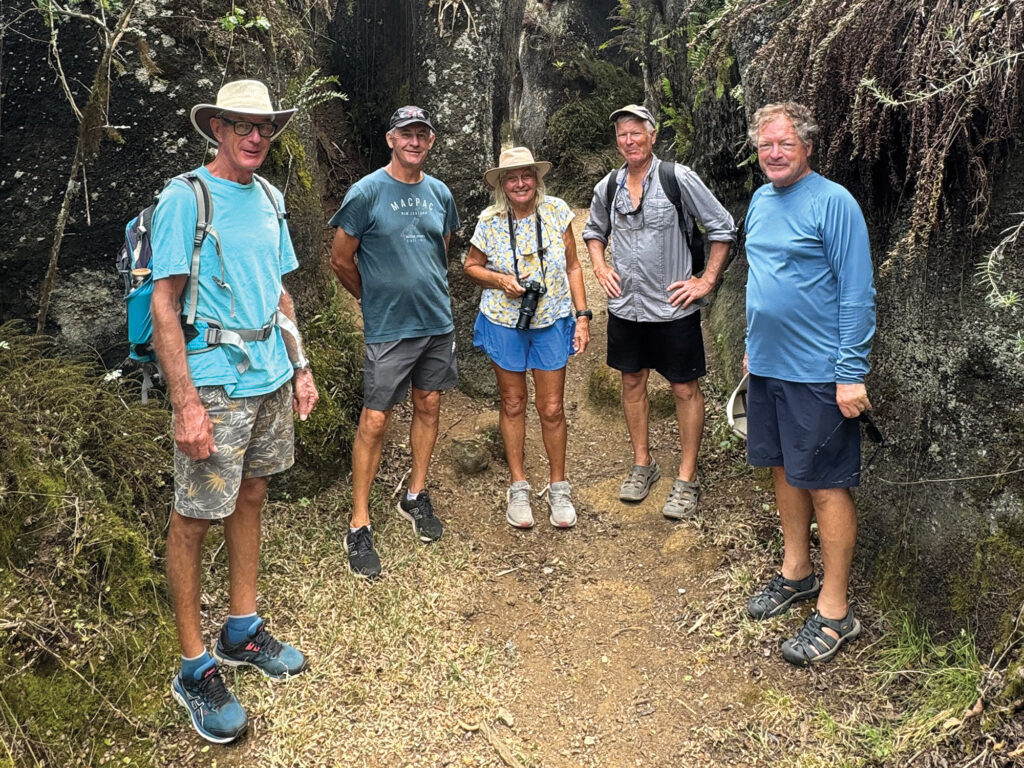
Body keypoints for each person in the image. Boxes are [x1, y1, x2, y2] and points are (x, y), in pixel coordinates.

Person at [150, 79, 319, 744]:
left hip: (271, 376)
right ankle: (194, 668)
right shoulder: (185, 197)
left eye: (265, 127)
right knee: (193, 517)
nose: (255, 136)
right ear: (216, 129)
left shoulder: (270, 198)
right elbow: (165, 303)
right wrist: (186, 403)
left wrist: (300, 367)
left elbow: (279, 293)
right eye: (242, 125)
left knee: (251, 494)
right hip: (215, 383)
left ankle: (241, 631)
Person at [742, 101, 876, 666]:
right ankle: (797, 570)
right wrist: (751, 348)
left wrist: (851, 373)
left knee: (825, 484)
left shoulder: (833, 202)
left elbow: (857, 291)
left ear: (808, 147)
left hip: (820, 374)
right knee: (783, 470)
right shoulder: (759, 200)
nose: (774, 153)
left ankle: (836, 610)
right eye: (766, 145)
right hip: (767, 367)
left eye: (785, 143)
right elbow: (762, 278)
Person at [582, 104, 736, 520]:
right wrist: (599, 267)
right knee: (632, 381)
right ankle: (642, 463)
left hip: (673, 308)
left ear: (652, 136)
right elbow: (594, 231)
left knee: (684, 388)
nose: (629, 141)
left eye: (637, 132)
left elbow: (722, 226)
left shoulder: (677, 178)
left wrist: (705, 281)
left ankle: (687, 476)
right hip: (626, 307)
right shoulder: (608, 186)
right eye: (622, 134)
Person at [329, 106, 459, 578]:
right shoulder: (366, 192)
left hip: (436, 322)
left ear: (431, 141)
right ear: (391, 139)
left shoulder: (440, 193)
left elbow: (441, 249)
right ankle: (359, 522)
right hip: (389, 327)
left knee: (429, 404)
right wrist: (372, 298)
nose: (414, 141)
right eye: (406, 133)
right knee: (376, 419)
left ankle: (415, 495)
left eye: (422, 134)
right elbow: (341, 259)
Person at [464, 147, 591, 529]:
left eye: (526, 175)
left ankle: (559, 486)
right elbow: (471, 266)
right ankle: (518, 485)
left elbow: (573, 267)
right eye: (512, 178)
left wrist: (582, 317)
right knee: (513, 402)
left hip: (551, 320)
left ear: (536, 178)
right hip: (505, 321)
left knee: (551, 407)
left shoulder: (557, 212)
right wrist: (500, 280)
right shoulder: (489, 222)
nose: (520, 183)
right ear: (502, 184)